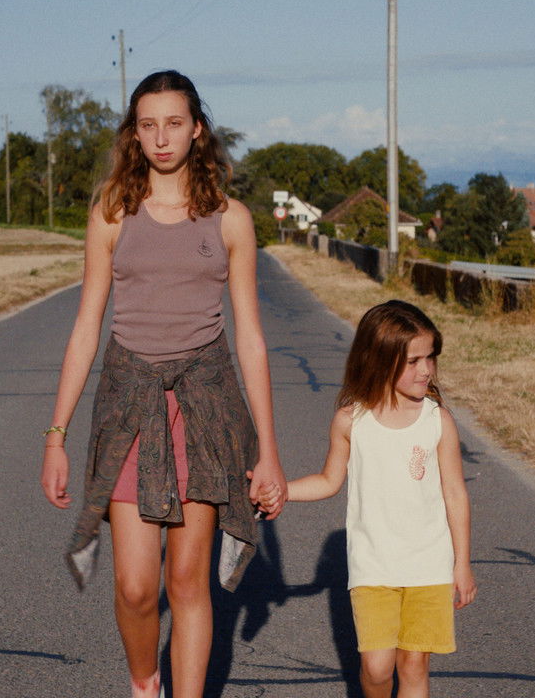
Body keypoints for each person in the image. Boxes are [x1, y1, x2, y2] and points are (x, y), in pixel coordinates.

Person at [40, 69, 287, 698]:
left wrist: (268, 452)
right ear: (134, 133)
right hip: (128, 408)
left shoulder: (230, 220)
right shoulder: (111, 213)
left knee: (186, 580)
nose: (161, 137)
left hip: (204, 410)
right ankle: (145, 682)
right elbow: (86, 329)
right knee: (135, 587)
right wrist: (56, 436)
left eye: (174, 123)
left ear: (197, 129)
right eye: (148, 125)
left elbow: (250, 340)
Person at [286, 299, 476, 698]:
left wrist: (462, 563)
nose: (426, 370)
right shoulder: (351, 421)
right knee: (376, 669)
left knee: (414, 665)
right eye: (413, 361)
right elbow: (328, 481)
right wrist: (283, 491)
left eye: (430, 357)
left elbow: (455, 493)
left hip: (429, 566)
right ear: (379, 360)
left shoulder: (437, 420)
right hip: (373, 567)